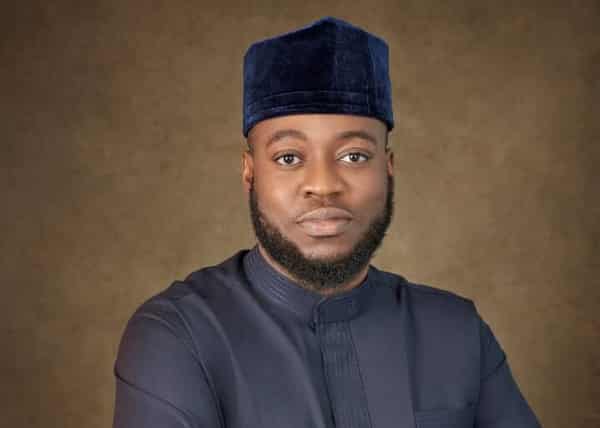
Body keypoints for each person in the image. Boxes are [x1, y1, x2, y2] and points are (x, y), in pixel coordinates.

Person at [113, 17, 541, 428]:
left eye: (353, 156)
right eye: (289, 158)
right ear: (250, 172)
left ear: (388, 168)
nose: (323, 185)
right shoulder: (178, 335)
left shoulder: (457, 332)